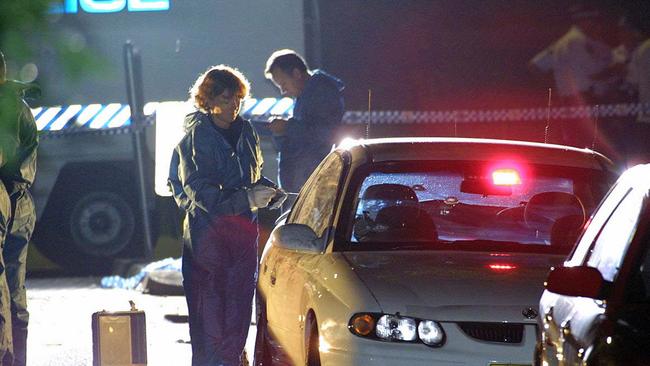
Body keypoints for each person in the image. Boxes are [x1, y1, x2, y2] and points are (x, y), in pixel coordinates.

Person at [171, 64, 285, 366]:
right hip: (208, 240)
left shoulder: (246, 131)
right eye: (225, 97)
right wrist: (247, 198)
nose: (234, 104)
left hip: (243, 239)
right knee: (210, 317)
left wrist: (268, 192)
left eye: (237, 97)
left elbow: (252, 175)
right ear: (207, 100)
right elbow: (200, 192)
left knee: (237, 315)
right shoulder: (198, 137)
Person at [0, 50, 38, 366]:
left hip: (12, 204)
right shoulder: (18, 108)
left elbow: (16, 161)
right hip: (17, 202)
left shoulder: (12, 109)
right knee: (13, 288)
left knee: (10, 289)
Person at [264, 49, 345, 194]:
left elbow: (325, 134)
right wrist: (281, 132)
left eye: (283, 84)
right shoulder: (305, 95)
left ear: (296, 73)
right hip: (303, 185)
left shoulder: (322, 93)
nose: (283, 91)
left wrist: (287, 127)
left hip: (313, 185)